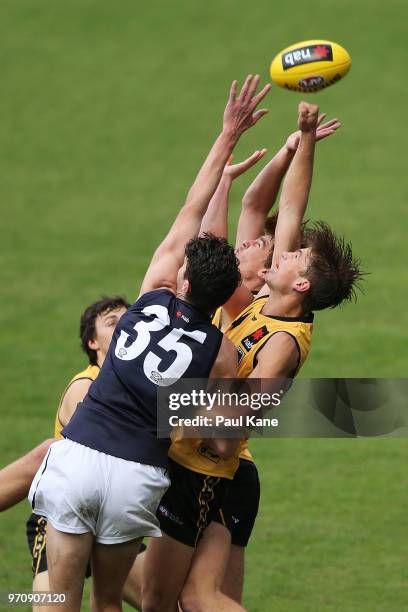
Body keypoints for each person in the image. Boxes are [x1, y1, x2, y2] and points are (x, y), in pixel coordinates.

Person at [28, 74, 271, 611]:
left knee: (57, 590)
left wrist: (227, 135)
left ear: (182, 279)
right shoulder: (222, 351)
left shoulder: (149, 296)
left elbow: (192, 203)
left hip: (82, 452)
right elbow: (226, 440)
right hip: (139, 475)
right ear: (224, 294)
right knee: (111, 601)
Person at [179, 101, 363, 611]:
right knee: (187, 599)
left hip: (225, 473)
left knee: (202, 601)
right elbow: (293, 205)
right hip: (206, 460)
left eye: (295, 255)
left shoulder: (283, 344)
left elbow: (239, 421)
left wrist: (195, 382)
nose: (281, 251)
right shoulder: (268, 298)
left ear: (300, 281)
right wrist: (303, 138)